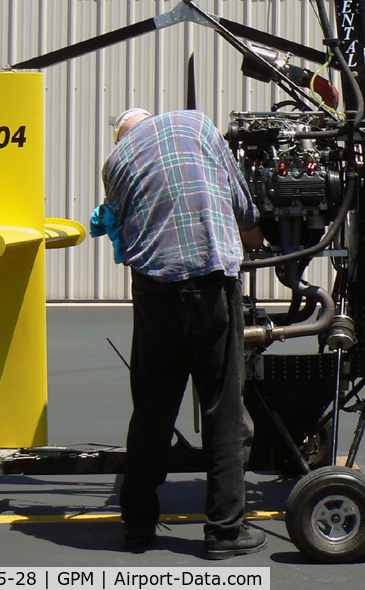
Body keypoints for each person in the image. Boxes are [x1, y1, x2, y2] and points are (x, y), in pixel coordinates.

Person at [96, 107, 265, 559]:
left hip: (155, 292)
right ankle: (224, 532)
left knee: (152, 409)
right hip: (210, 285)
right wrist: (257, 236)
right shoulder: (195, 124)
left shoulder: (116, 162)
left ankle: (136, 526)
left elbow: (113, 219)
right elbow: (243, 207)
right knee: (222, 409)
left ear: (122, 136)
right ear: (152, 118)